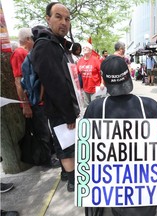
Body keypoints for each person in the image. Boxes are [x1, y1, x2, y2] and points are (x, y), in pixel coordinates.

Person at [84, 55, 157, 216]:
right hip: (145, 177)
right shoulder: (149, 105)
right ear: (127, 74)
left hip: (110, 179)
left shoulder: (95, 108)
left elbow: (85, 147)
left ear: (104, 79)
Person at [30, 2, 80, 192]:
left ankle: (67, 174)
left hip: (64, 108)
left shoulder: (57, 43)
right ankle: (73, 181)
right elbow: (54, 84)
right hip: (60, 110)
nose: (64, 22)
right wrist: (69, 114)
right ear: (47, 18)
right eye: (58, 17)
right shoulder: (45, 45)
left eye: (67, 19)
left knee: (67, 143)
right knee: (67, 146)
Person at [10, 27, 59, 168]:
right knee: (41, 131)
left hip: (37, 99)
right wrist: (25, 104)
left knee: (44, 129)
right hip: (32, 101)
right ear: (27, 39)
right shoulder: (20, 53)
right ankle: (46, 160)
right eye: (33, 39)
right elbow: (18, 82)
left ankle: (50, 154)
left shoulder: (27, 53)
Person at [77, 42, 104, 107]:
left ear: (90, 50)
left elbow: (102, 72)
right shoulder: (80, 61)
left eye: (87, 47)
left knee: (95, 107)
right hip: (85, 89)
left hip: (95, 89)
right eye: (83, 47)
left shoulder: (95, 60)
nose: (84, 48)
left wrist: (102, 83)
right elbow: (76, 73)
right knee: (87, 108)